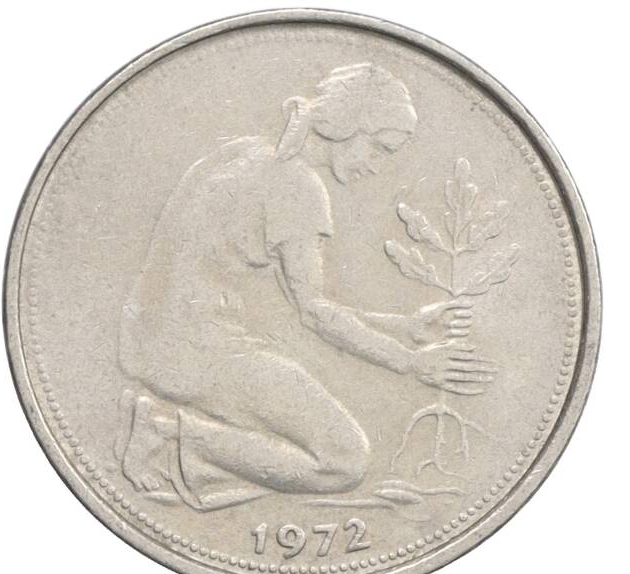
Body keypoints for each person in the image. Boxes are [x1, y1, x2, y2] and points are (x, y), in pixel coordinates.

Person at [115, 63, 491, 511]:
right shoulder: (297, 187)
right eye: (381, 147)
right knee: (343, 461)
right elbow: (313, 313)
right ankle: (165, 431)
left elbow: (287, 304)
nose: (377, 165)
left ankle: (175, 436)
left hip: (151, 338)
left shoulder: (245, 153)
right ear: (349, 125)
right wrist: (410, 362)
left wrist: (404, 326)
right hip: (196, 352)